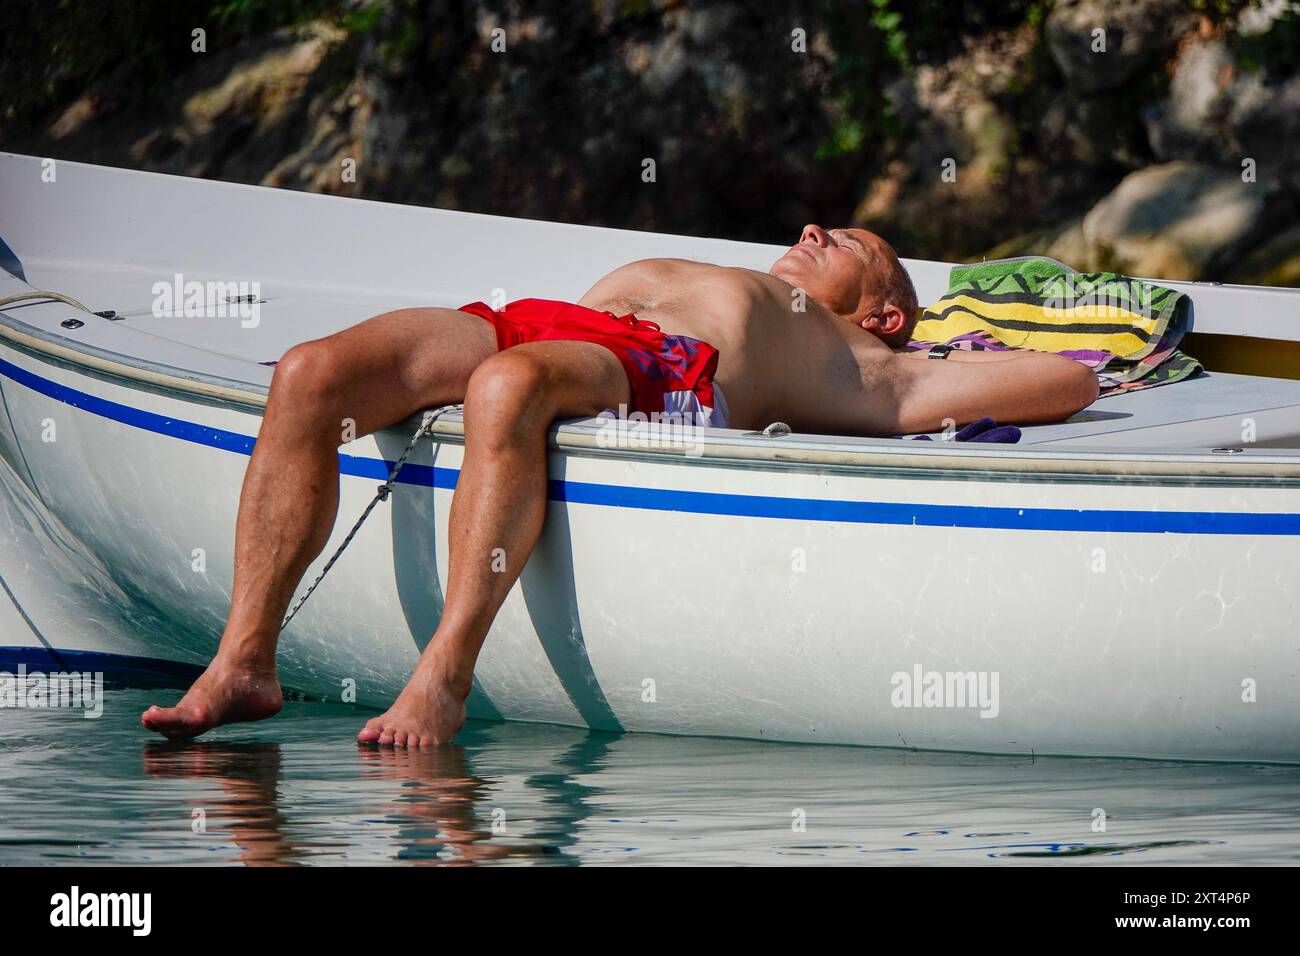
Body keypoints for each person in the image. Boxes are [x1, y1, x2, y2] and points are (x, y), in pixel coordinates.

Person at [141, 225, 1098, 745]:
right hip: (541, 320)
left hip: (668, 372)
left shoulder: (869, 362)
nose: (813, 228)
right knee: (308, 372)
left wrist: (974, 336)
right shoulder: (721, 269)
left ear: (886, 312)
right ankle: (243, 663)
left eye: (848, 239)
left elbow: (1072, 378)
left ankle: (443, 676)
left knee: (506, 386)